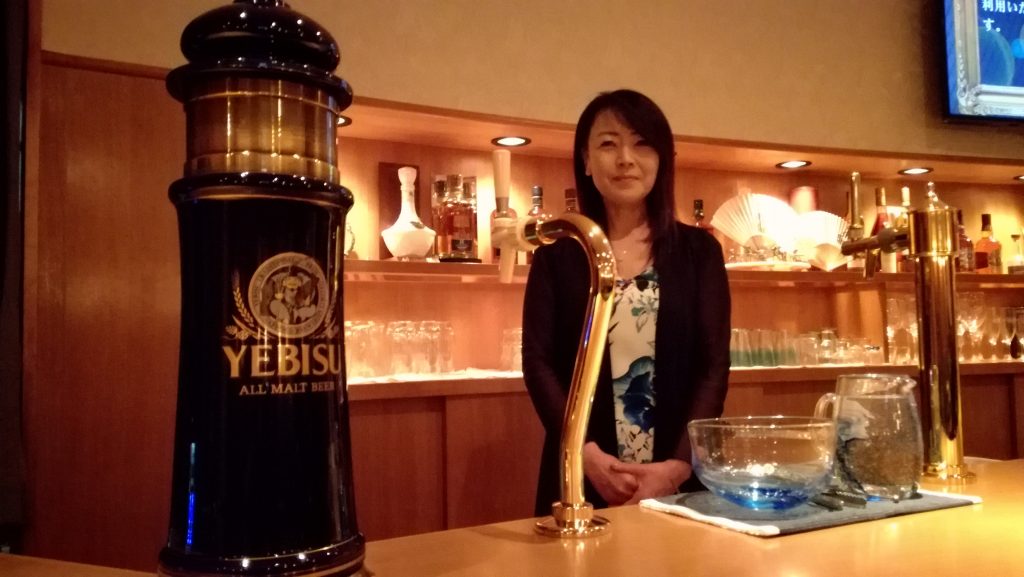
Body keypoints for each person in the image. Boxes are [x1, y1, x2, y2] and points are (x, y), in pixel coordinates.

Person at [522, 89, 731, 515]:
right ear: (585, 160)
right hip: (581, 473)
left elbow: (713, 366)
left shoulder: (699, 252)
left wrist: (678, 465)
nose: (625, 159)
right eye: (607, 144)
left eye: (641, 144)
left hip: (678, 480)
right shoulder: (556, 256)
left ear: (662, 159)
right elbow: (538, 363)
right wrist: (582, 451)